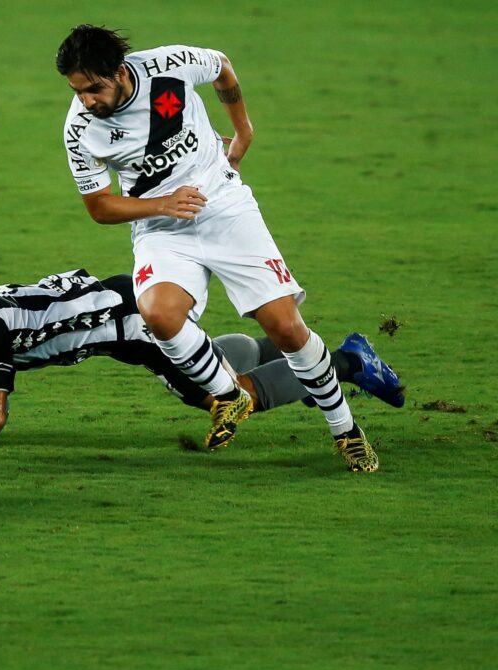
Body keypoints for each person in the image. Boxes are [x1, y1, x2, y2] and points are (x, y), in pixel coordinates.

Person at [54, 25, 381, 473]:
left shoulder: (168, 66)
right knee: (157, 313)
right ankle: (228, 395)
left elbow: (223, 68)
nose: (87, 101)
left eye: (94, 89)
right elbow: (99, 207)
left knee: (285, 328)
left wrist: (242, 130)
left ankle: (346, 431)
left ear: (119, 71)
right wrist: (162, 204)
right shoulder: (80, 129)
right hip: (160, 227)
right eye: (78, 91)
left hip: (225, 208)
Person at [0, 248, 402, 465]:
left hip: (131, 321)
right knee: (216, 363)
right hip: (116, 312)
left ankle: (348, 361)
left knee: (223, 394)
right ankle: (308, 352)